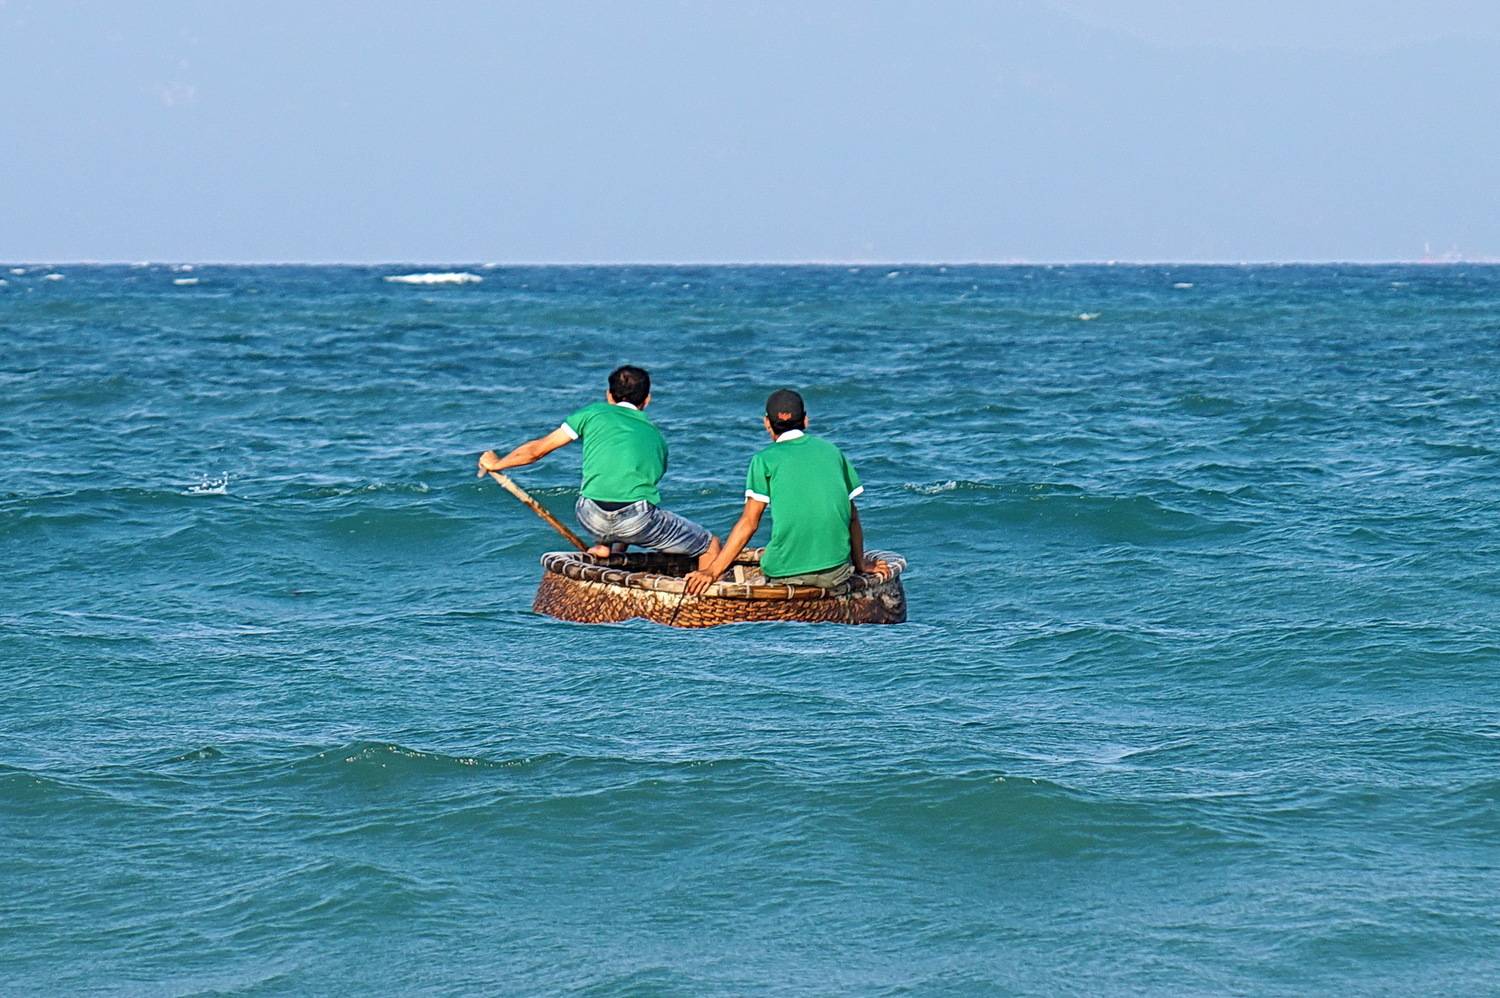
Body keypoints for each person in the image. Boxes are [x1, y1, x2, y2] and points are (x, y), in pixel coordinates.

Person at [477, 366, 721, 568]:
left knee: (613, 502)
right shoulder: (656, 436)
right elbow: (639, 488)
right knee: (710, 545)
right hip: (635, 520)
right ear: (647, 400)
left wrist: (496, 463)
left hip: (590, 516)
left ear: (609, 395)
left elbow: (536, 451)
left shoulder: (592, 414)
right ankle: (703, 599)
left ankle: (604, 546)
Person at [684, 389, 889, 595]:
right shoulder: (833, 452)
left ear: (767, 423)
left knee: (767, 562)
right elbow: (852, 516)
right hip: (837, 572)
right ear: (805, 420)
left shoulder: (764, 459)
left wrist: (712, 571)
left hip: (787, 573)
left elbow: (749, 523)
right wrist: (861, 564)